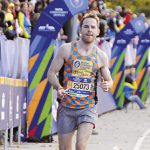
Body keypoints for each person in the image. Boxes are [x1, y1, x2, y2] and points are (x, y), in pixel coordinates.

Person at [47, 12, 113, 150]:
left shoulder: (101, 56)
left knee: (81, 146)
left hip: (87, 107)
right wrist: (58, 87)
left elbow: (109, 80)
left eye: (93, 27)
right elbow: (51, 73)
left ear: (98, 31)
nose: (89, 30)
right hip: (66, 107)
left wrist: (107, 84)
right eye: (86, 26)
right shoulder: (66, 49)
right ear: (80, 29)